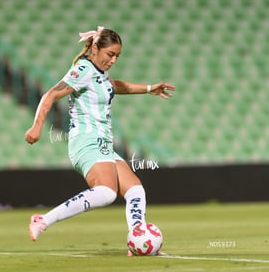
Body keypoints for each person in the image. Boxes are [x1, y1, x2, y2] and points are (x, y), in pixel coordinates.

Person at [24, 26, 175, 256]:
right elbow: (51, 94)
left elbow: (114, 86)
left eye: (117, 56)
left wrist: (148, 88)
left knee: (135, 191)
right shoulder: (83, 69)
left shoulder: (99, 73)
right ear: (95, 48)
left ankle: (137, 239)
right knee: (106, 193)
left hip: (102, 143)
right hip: (86, 141)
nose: (113, 60)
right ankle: (42, 220)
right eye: (110, 54)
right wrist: (37, 126)